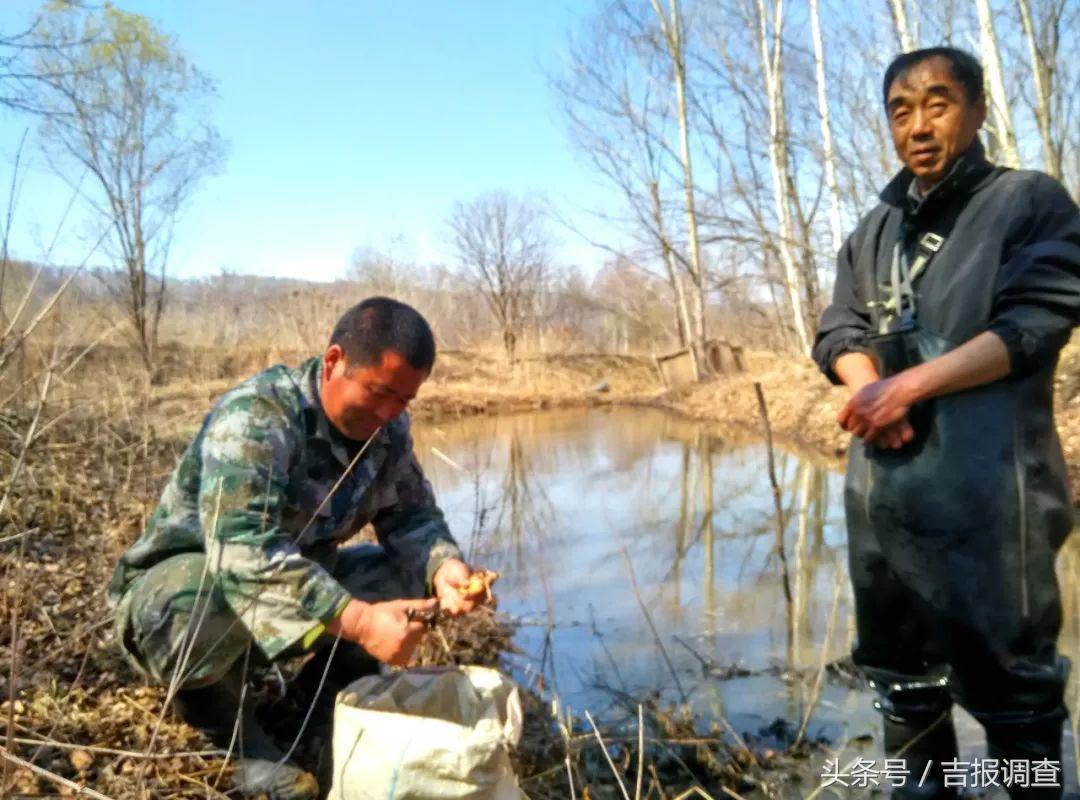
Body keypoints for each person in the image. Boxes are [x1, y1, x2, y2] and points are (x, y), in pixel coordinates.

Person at [813, 47, 1080, 799]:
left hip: (995, 505)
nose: (919, 125)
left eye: (938, 103)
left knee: (1015, 703)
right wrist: (870, 391)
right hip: (885, 504)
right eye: (902, 110)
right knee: (905, 695)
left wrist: (911, 387)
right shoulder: (872, 230)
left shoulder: (1026, 202)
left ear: (978, 108)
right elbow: (838, 328)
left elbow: (1040, 316)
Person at [108, 297, 480, 800]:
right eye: (380, 391)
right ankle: (227, 736)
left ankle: (317, 702)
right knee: (191, 603)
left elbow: (411, 516)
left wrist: (445, 567)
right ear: (334, 362)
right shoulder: (258, 418)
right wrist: (361, 623)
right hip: (183, 594)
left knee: (399, 578)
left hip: (288, 593)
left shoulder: (387, 431)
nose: (390, 412)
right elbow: (244, 555)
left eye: (405, 400)